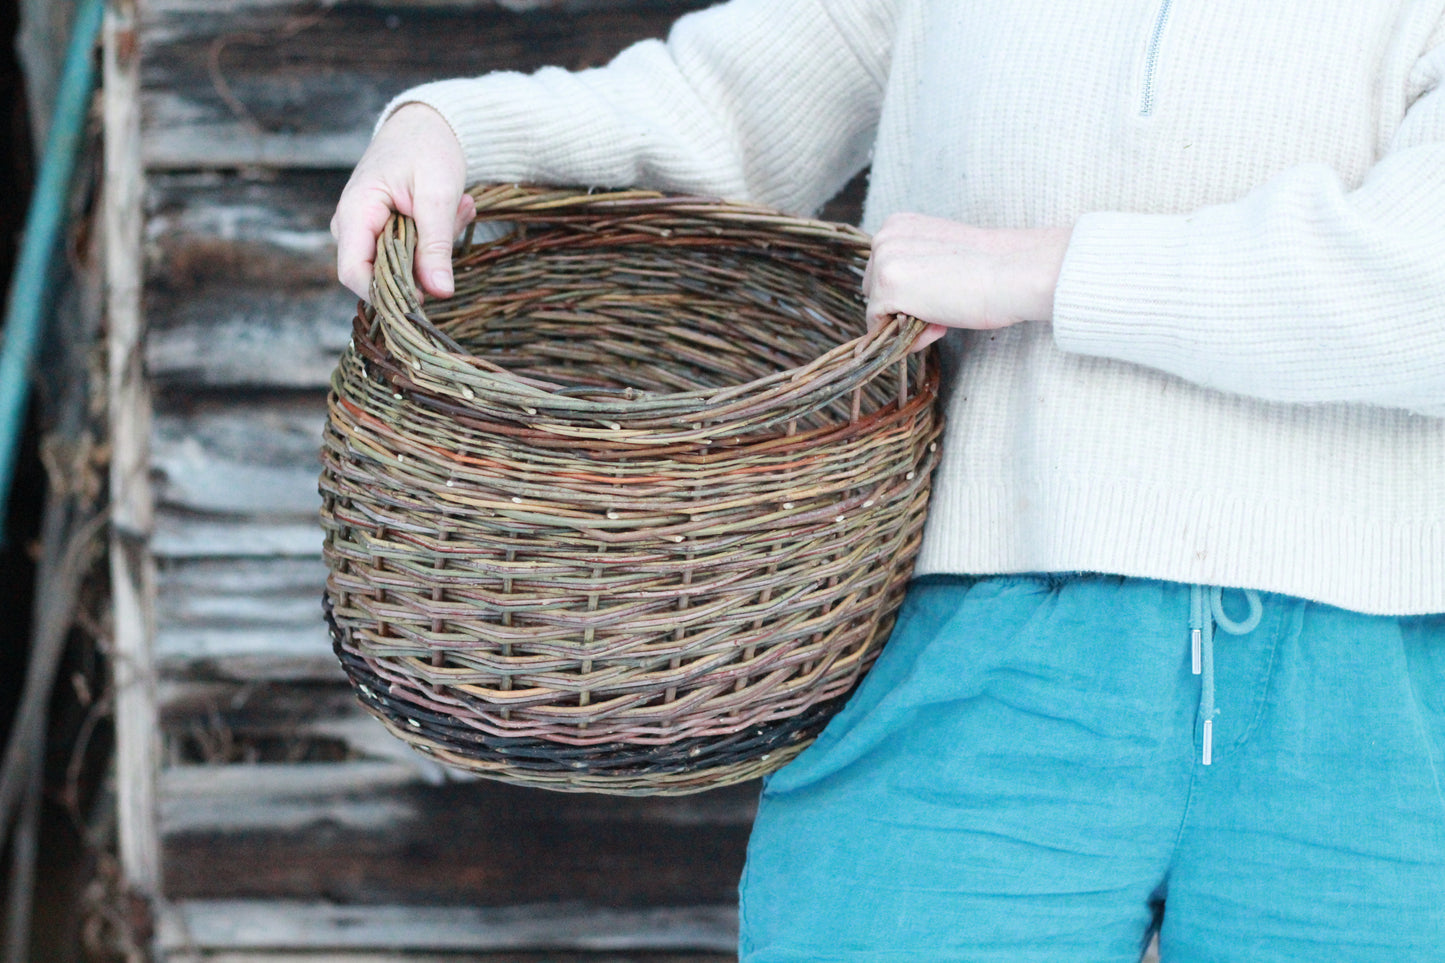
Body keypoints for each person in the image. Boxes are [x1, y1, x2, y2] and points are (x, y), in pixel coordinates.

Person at [331, 2, 1445, 959]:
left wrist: (1044, 271)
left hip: (1376, 688)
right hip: (967, 648)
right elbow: (722, 101)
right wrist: (450, 128)